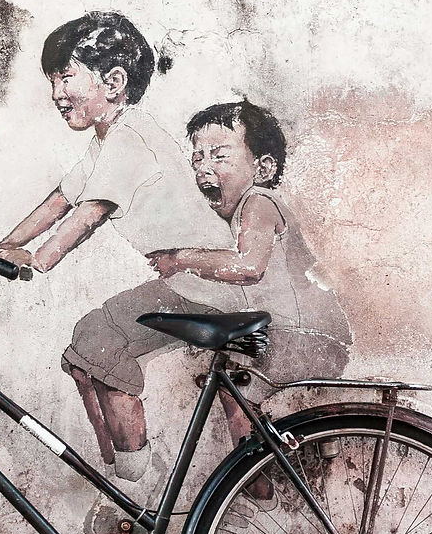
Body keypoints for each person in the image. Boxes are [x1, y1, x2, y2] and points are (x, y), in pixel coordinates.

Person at [0, 11, 239, 481]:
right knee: (85, 351)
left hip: (207, 285)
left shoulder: (130, 137)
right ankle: (119, 470)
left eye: (66, 75)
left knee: (100, 341)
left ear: (113, 81)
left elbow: (88, 214)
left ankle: (136, 482)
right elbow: (60, 201)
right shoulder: (108, 139)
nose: (55, 93)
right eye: (51, 80)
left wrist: (37, 260)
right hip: (193, 285)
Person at [148, 99, 351, 443]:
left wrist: (180, 258)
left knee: (238, 386)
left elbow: (247, 267)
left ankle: (256, 482)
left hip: (310, 336)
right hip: (291, 333)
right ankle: (258, 472)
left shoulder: (258, 202)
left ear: (263, 168)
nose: (203, 167)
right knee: (235, 385)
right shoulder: (235, 214)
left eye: (219, 156)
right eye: (198, 157)